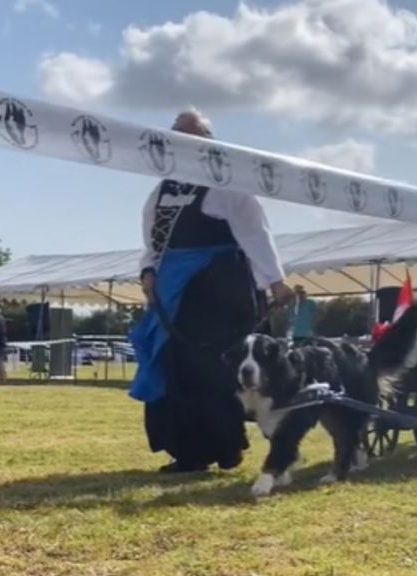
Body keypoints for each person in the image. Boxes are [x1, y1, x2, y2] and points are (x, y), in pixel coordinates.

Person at [130, 108, 294, 474]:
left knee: (217, 371)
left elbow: (255, 234)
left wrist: (274, 280)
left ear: (209, 142)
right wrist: (148, 272)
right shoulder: (162, 191)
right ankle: (189, 452)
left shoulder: (228, 183)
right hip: (175, 292)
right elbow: (153, 242)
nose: (185, 141)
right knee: (179, 369)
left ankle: (226, 446)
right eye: (178, 134)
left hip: (220, 291)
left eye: (195, 134)